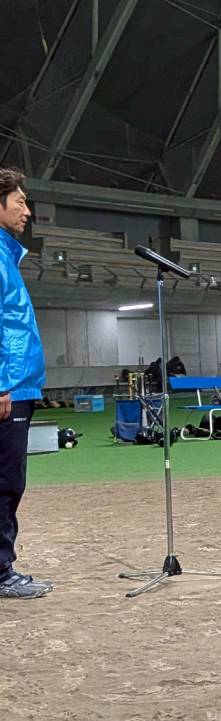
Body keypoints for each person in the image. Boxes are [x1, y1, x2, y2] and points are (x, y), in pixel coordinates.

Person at [0, 168, 51, 600]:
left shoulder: (6, 256)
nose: (27, 211)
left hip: (18, 386)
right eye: (19, 202)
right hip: (8, 389)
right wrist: (1, 384)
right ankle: (1, 572)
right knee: (5, 481)